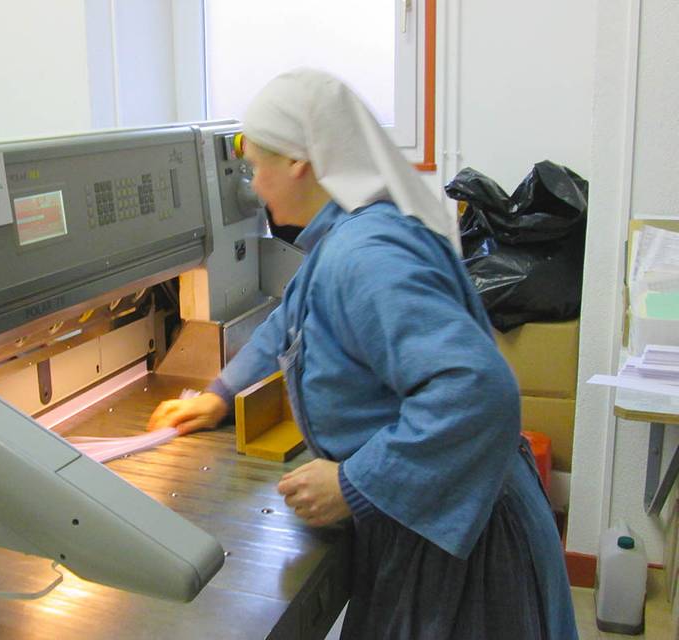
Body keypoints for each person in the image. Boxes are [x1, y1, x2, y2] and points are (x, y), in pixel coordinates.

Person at [147, 68, 577, 639]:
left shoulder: (366, 254)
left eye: (256, 168)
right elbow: (291, 322)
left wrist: (355, 485)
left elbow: (477, 390)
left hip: (460, 535)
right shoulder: (347, 235)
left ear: (300, 161)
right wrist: (220, 395)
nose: (254, 186)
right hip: (438, 509)